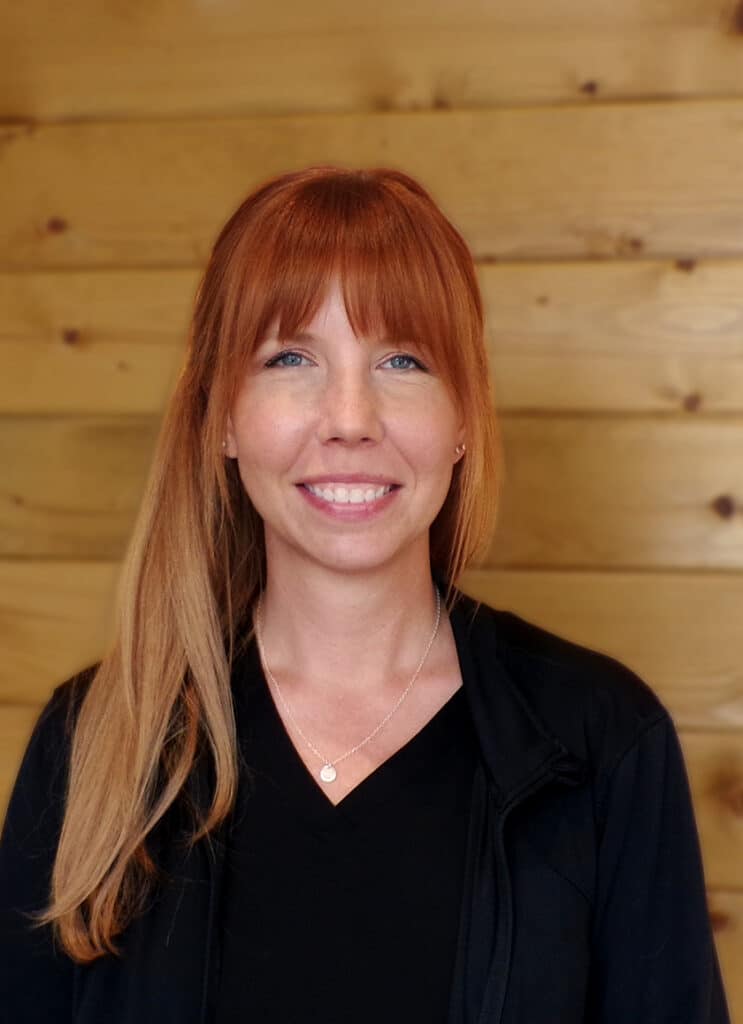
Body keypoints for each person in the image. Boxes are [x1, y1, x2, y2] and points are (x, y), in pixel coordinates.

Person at [0, 166, 730, 1024]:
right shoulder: (95, 736)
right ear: (222, 417)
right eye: (291, 358)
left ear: (463, 420)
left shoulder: (601, 740)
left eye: (403, 359)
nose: (350, 417)